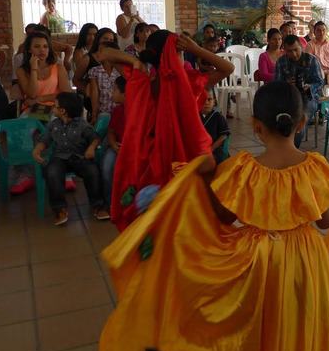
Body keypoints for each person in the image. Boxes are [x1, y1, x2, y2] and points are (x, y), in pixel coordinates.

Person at [98, 81, 329, 351]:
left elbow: (223, 218)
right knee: (298, 327)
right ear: (301, 123)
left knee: (257, 331)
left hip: (256, 263)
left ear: (256, 127)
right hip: (304, 261)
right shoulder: (313, 167)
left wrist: (200, 184)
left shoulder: (244, 170)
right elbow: (324, 221)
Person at [95, 30, 234, 231]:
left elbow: (104, 52)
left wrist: (134, 61)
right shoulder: (189, 82)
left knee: (160, 216)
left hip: (150, 157)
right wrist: (197, 49)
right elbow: (228, 68)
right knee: (196, 200)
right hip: (186, 155)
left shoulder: (141, 78)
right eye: (181, 53)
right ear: (175, 53)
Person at [33, 92, 107, 226]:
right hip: (59, 158)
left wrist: (91, 148)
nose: (53, 109)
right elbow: (45, 139)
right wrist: (38, 149)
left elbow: (94, 138)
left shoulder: (82, 124)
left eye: (55, 106)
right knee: (52, 172)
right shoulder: (53, 124)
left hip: (79, 156)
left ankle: (98, 206)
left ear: (63, 111)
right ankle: (59, 209)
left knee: (92, 171)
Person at [274, 34, 323, 148]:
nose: (294, 54)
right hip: (288, 98)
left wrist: (309, 87)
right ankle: (281, 147)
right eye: (289, 51)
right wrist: (286, 84)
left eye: (296, 50)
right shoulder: (281, 62)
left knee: (300, 117)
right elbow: (276, 85)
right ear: (284, 50)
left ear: (301, 46)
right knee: (277, 115)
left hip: (308, 97)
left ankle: (293, 149)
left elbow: (320, 82)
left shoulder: (311, 60)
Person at [101, 76, 126, 211]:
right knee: (107, 166)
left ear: (125, 93)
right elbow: (111, 131)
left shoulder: (140, 110)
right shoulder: (117, 111)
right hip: (117, 146)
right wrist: (113, 144)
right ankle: (110, 202)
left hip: (134, 148)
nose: (112, 92)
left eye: (115, 89)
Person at [87, 36, 121, 124]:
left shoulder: (121, 71)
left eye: (100, 51)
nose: (97, 53)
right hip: (104, 111)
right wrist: (94, 114)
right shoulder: (94, 71)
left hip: (120, 111)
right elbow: (95, 93)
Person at [200, 88, 230, 164]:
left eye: (209, 99)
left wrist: (211, 149)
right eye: (203, 100)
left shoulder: (218, 117)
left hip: (214, 149)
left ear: (214, 101)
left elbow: (224, 136)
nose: (206, 102)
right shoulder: (195, 116)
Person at [72, 23, 98, 91]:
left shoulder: (98, 50)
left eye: (94, 35)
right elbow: (81, 74)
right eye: (89, 34)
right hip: (85, 86)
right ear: (84, 35)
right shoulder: (79, 52)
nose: (92, 37)